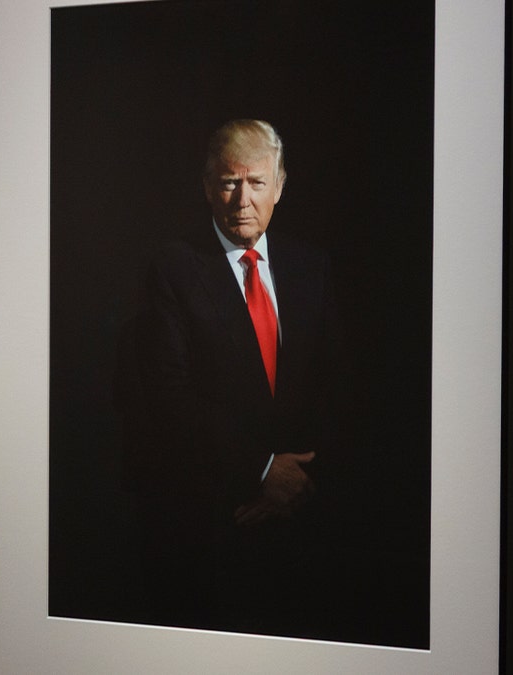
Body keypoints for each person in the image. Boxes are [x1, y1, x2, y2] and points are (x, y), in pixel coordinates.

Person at [116, 119, 347, 637]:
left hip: (305, 523)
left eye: (257, 182)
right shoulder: (173, 268)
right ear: (207, 187)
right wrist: (262, 471)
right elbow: (169, 398)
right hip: (213, 526)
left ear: (280, 187)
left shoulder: (311, 267)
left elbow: (338, 387)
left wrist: (301, 477)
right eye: (228, 181)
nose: (242, 198)